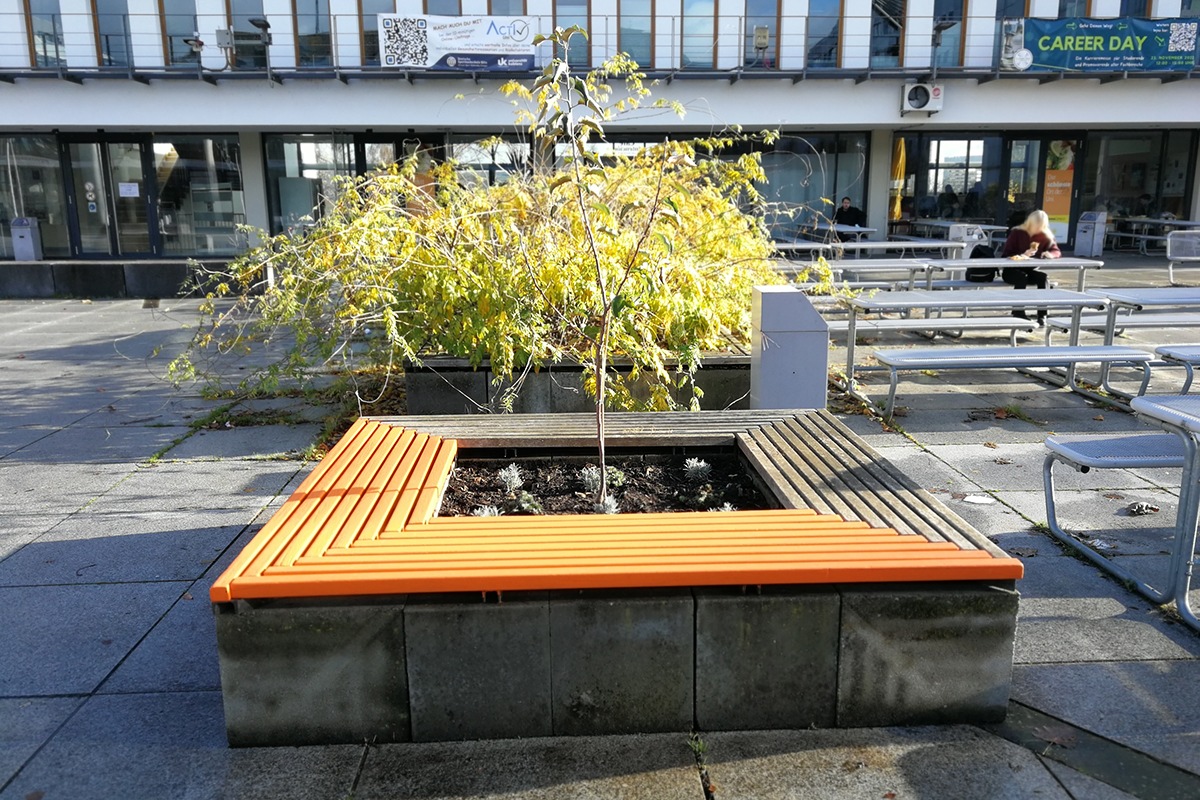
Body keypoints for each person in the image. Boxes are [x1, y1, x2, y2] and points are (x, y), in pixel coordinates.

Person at [1000, 209, 1062, 325]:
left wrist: (1050, 254)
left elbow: (1056, 251)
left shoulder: (1045, 235)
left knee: (1043, 278)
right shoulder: (1017, 233)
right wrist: (1023, 255)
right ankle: (1018, 311)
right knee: (1021, 277)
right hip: (1011, 270)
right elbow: (1006, 255)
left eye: (1041, 226)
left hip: (1030, 269)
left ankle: (1042, 314)